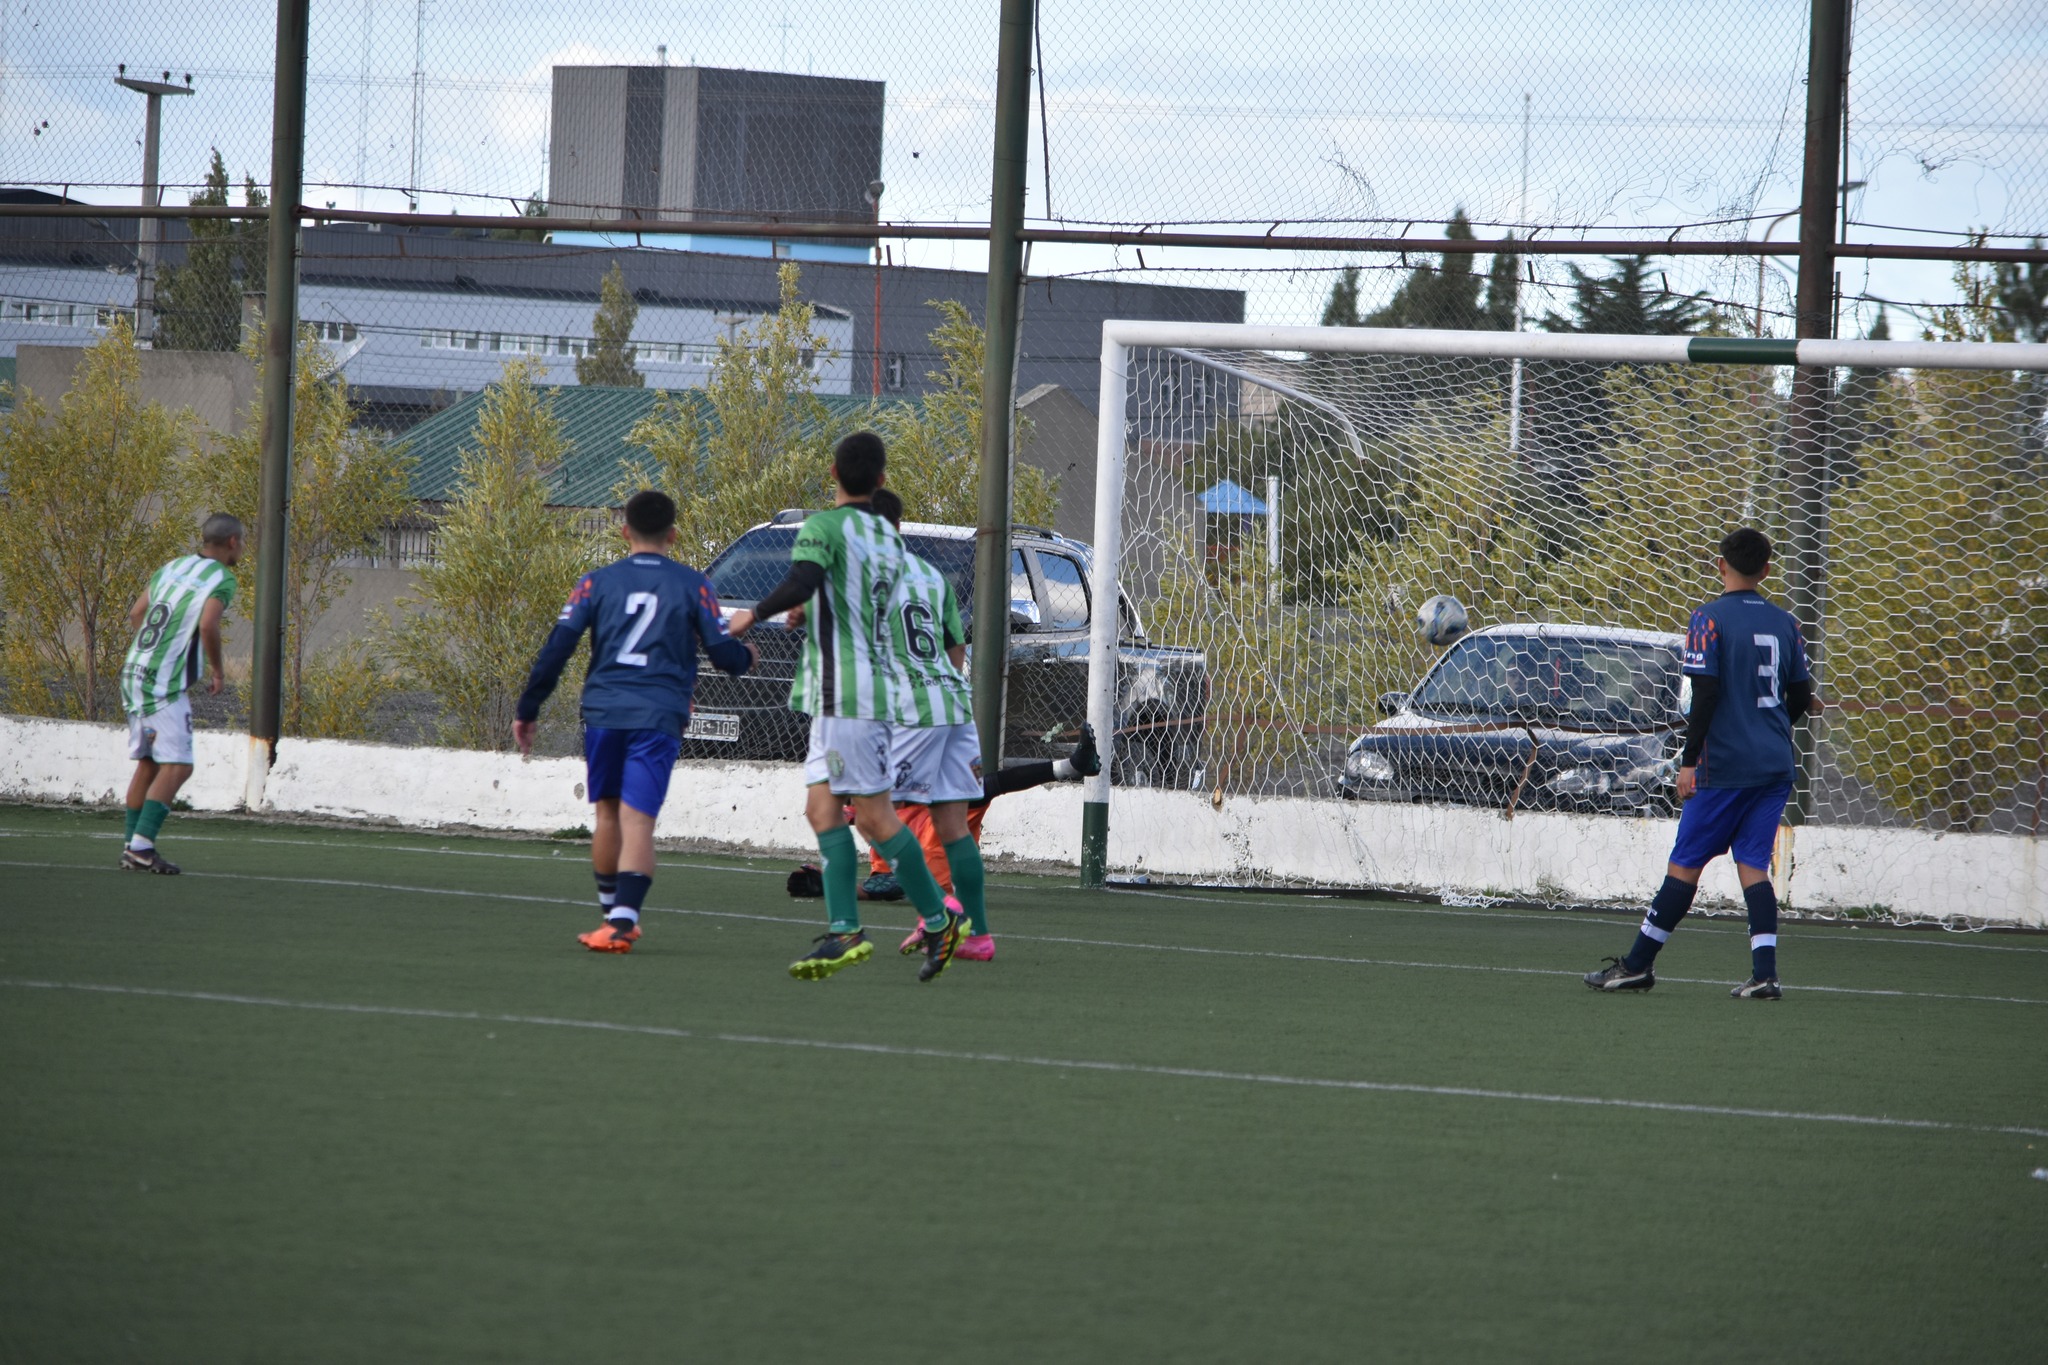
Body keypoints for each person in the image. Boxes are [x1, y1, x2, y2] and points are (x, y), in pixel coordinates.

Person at [726, 431, 965, 982]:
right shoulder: (886, 535)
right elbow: (857, 598)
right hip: (856, 692)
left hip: (848, 695)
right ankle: (846, 931)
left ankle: (934, 920)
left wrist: (752, 614)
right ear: (881, 480)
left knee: (876, 817)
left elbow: (805, 576)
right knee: (823, 810)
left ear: (831, 472)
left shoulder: (824, 526)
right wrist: (813, 611)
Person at [514, 489, 757, 953]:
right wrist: (746, 655)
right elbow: (723, 656)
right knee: (638, 819)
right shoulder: (694, 585)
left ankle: (614, 917)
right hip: (659, 713)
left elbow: (556, 650)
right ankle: (623, 921)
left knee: (607, 813)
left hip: (604, 711)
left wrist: (529, 709)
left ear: (625, 530)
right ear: (673, 534)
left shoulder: (595, 582)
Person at [1584, 528, 1816, 999]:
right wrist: (1770, 727)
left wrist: (1688, 763)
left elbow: (1705, 694)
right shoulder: (1787, 623)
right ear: (1767, 571)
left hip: (1725, 766)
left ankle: (1636, 966)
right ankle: (1765, 975)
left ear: (1720, 565)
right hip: (1773, 766)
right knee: (1753, 866)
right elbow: (1800, 697)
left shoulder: (1708, 619)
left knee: (1684, 867)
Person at [116, 513, 243, 874]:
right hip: (163, 683)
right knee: (179, 765)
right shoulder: (222, 578)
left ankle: (131, 844)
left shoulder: (171, 567)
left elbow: (137, 613)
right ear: (233, 542)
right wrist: (217, 669)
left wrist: (151, 651)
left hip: (135, 669)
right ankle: (141, 847)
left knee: (150, 762)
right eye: (243, 542)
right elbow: (207, 624)